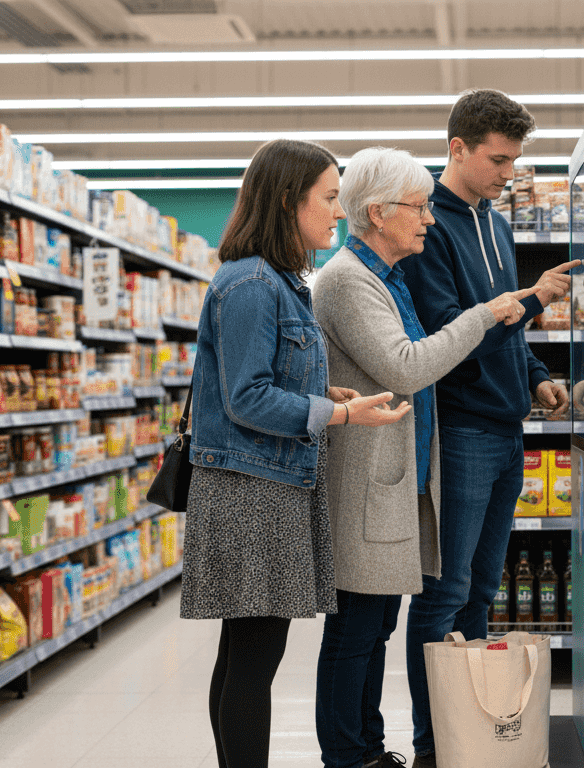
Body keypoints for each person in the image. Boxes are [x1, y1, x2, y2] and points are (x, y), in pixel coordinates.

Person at [179, 138, 411, 768]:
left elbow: (262, 378)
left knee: (244, 654)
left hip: (266, 483)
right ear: (289, 201)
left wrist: (321, 389)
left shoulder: (279, 280)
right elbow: (246, 398)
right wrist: (338, 412)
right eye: (330, 198)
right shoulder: (253, 282)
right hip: (250, 493)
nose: (339, 212)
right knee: (254, 661)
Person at [312, 147, 535, 768]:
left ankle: (368, 747)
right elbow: (406, 366)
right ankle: (349, 756)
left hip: (394, 480)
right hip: (364, 484)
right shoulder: (347, 281)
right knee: (356, 629)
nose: (429, 220)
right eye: (416, 209)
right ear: (378, 214)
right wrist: (483, 317)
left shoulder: (384, 277)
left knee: (376, 625)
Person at [398, 89, 579, 768]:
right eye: (498, 159)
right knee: (444, 591)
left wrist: (536, 376)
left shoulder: (496, 226)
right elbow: (456, 328)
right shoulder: (428, 227)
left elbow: (506, 327)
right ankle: (430, 744)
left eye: (514, 160)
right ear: (458, 149)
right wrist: (533, 298)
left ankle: (467, 733)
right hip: (462, 427)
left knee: (482, 589)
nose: (509, 173)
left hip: (509, 429)